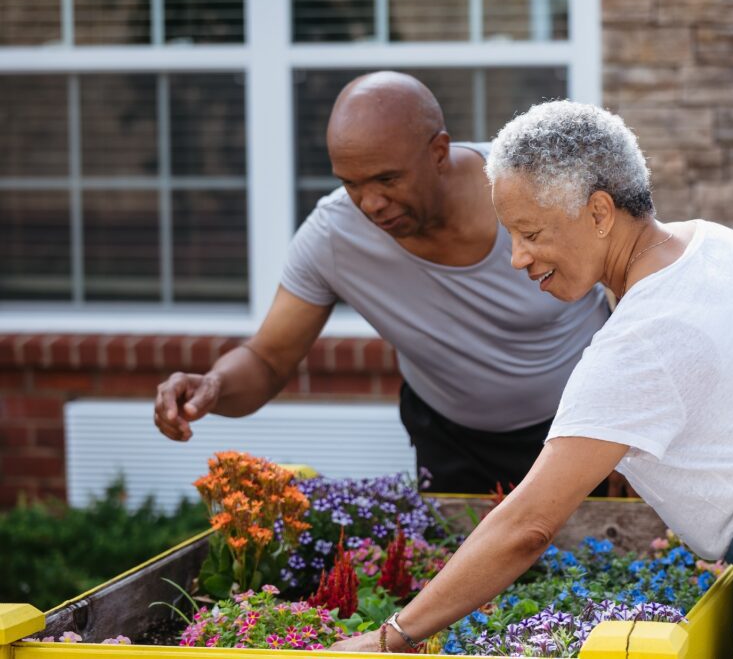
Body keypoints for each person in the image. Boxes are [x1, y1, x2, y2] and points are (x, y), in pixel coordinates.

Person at [329, 101, 733, 657]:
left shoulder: (637, 341)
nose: (515, 257)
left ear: (598, 212)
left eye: (529, 232)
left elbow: (527, 526)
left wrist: (393, 634)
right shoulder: (727, 245)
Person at [152, 73, 609, 494]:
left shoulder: (536, 195)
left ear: (438, 153)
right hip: (451, 441)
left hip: (582, 429)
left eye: (387, 179)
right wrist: (213, 385)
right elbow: (268, 359)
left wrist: (633, 433)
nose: (371, 203)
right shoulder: (334, 235)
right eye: (351, 183)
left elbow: (639, 302)